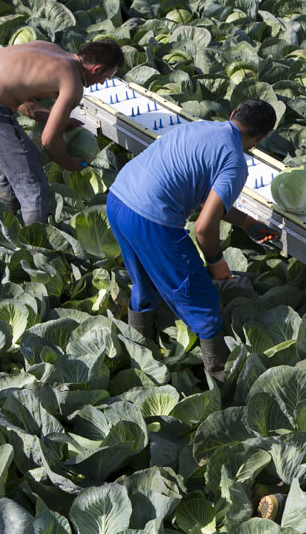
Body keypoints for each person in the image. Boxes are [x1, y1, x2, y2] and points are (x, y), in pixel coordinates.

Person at [106, 100, 281, 384]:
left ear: (233, 114)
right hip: (152, 219)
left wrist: (247, 223)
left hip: (118, 199)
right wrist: (215, 262)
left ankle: (139, 360)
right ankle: (220, 381)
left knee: (144, 283)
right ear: (260, 138)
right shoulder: (234, 163)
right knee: (204, 303)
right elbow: (203, 227)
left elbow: (201, 195)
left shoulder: (198, 127)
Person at [0, 39, 125, 224]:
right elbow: (49, 141)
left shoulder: (48, 48)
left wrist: (55, 119)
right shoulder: (72, 83)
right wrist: (69, 163)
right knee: (33, 183)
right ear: (96, 69)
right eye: (106, 77)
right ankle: (36, 245)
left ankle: (12, 220)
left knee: (6, 166)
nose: (102, 83)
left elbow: (24, 104)